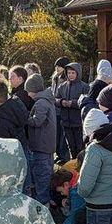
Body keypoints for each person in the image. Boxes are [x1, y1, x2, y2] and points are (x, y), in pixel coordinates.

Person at [25, 74, 57, 204]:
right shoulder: (47, 100)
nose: (27, 94)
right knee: (47, 173)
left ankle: (42, 202)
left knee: (42, 175)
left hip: (41, 145)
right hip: (47, 145)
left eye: (28, 91)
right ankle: (47, 199)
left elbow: (37, 121)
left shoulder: (41, 103)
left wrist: (25, 118)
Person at [55, 62, 89, 158]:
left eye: (73, 73)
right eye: (69, 73)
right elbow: (55, 99)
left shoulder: (84, 87)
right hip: (66, 122)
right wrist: (61, 102)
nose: (70, 75)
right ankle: (73, 165)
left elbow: (86, 102)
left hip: (78, 123)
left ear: (77, 73)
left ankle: (80, 165)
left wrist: (72, 103)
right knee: (71, 147)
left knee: (80, 147)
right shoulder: (62, 86)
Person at [51, 57, 71, 163]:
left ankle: (63, 156)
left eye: (60, 67)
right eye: (57, 66)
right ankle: (58, 154)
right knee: (57, 134)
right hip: (55, 110)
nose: (58, 69)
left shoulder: (66, 80)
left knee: (63, 135)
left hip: (62, 110)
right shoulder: (55, 78)